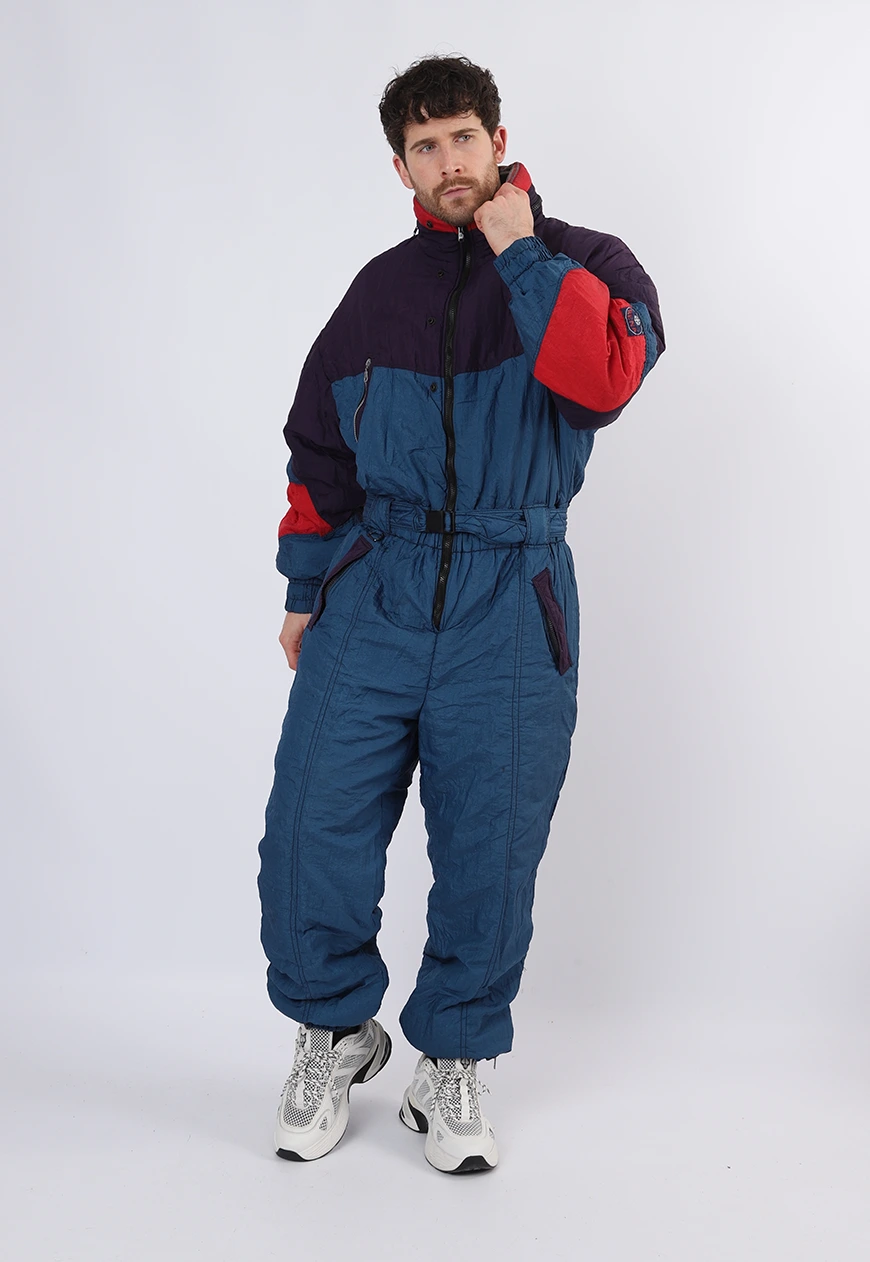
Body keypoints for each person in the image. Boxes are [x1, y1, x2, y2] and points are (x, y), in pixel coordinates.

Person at [257, 53, 666, 1175]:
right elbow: (318, 444)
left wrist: (519, 253)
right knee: (311, 825)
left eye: (463, 138)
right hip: (374, 590)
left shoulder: (588, 262)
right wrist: (305, 587)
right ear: (401, 167)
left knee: (491, 843)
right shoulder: (377, 290)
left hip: (511, 595)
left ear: (499, 141)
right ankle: (334, 1030)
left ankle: (454, 1059)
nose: (448, 162)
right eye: (424, 146)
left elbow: (600, 381)